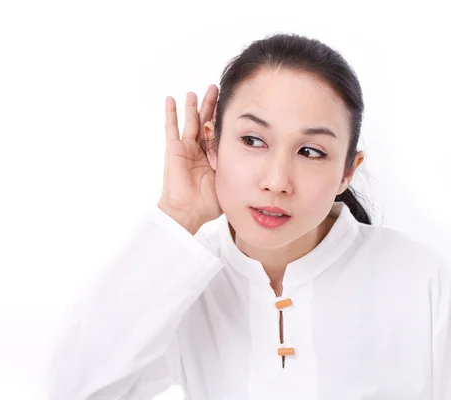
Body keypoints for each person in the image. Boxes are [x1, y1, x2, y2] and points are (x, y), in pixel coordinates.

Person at [46, 33, 451, 399]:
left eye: (311, 151)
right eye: (253, 140)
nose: (277, 181)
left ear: (348, 170)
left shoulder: (423, 278)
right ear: (213, 143)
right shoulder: (180, 277)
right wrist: (177, 216)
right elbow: (77, 391)